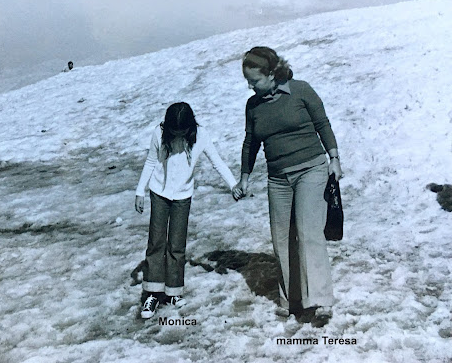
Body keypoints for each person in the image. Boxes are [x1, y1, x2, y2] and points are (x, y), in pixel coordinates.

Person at [232, 46, 343, 325]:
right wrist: (244, 177)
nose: (250, 85)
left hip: (311, 169)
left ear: (271, 73)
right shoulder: (253, 106)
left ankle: (319, 301)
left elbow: (323, 124)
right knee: (281, 238)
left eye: (254, 80)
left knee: (308, 233)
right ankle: (291, 298)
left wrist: (334, 158)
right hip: (277, 178)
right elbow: (250, 143)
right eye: (247, 80)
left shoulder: (301, 90)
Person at [135, 102, 239, 319]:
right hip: (159, 192)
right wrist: (140, 191)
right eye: (174, 131)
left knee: (177, 244)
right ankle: (153, 292)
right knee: (156, 242)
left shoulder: (201, 135)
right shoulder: (159, 133)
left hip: (183, 195)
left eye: (182, 132)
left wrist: (232, 184)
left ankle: (173, 291)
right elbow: (151, 161)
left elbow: (216, 161)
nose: (178, 135)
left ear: (189, 127)